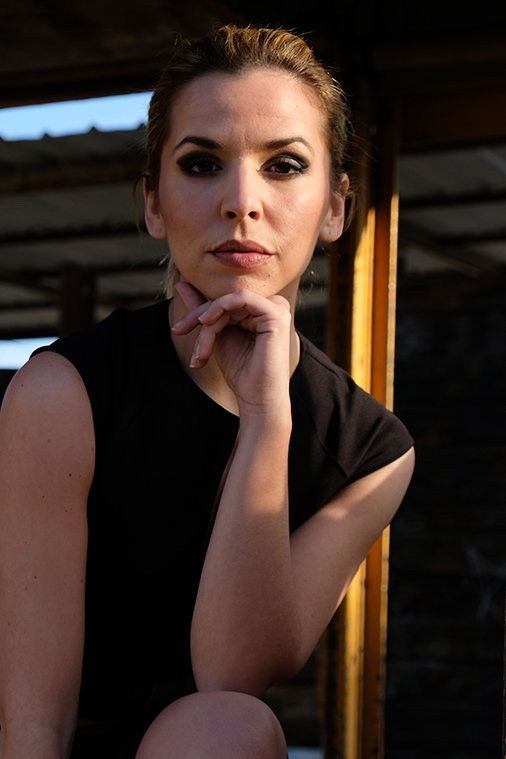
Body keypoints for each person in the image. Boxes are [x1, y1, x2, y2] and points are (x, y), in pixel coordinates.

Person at [0, 25, 414, 759]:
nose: (242, 201)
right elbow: (31, 726)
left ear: (335, 207)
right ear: (153, 204)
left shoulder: (370, 453)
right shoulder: (63, 392)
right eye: (201, 164)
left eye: (284, 165)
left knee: (227, 724)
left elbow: (232, 673)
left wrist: (265, 419)